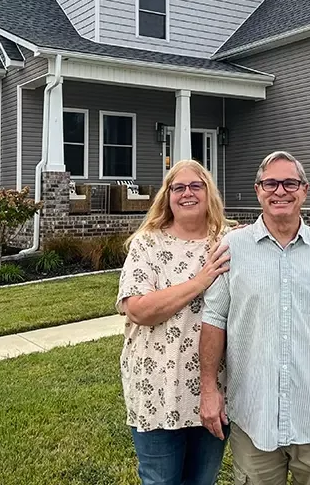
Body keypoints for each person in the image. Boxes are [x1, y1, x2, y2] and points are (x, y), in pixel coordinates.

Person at [198, 151, 310, 485]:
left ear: (304, 190)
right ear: (258, 190)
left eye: (289, 183)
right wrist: (209, 389)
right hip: (253, 417)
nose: (280, 191)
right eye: (271, 183)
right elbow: (213, 320)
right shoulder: (233, 247)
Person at [116, 159, 233, 485]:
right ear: (167, 197)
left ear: (209, 192)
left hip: (213, 387)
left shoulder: (227, 242)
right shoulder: (148, 243)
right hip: (157, 386)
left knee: (202, 479)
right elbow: (138, 309)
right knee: (161, 479)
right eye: (177, 187)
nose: (187, 193)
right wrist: (200, 281)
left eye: (196, 186)